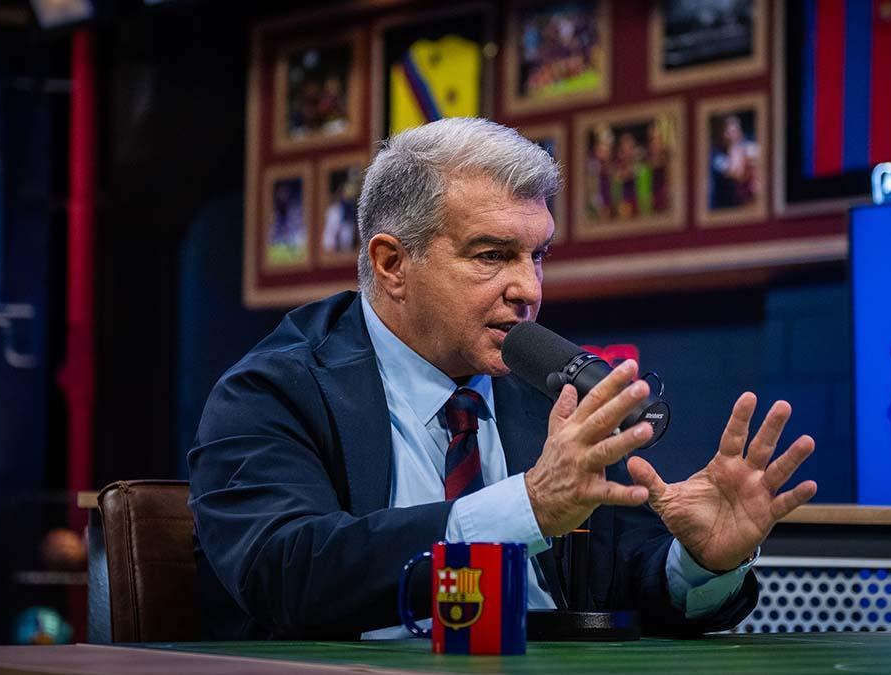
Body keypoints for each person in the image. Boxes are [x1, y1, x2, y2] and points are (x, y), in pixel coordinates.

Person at [189, 117, 817, 640]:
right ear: (391, 264)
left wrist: (701, 561)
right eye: (492, 256)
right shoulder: (273, 391)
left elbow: (620, 583)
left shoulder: (544, 384)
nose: (530, 290)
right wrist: (526, 507)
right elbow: (288, 575)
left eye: (538, 255)